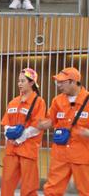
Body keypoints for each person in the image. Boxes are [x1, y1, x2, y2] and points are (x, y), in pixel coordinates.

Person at [38, 67, 89, 195]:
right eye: (57, 82)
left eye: (62, 82)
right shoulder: (57, 101)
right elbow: (51, 120)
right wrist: (43, 124)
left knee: (86, 190)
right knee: (51, 190)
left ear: (72, 82)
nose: (58, 85)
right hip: (60, 154)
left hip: (82, 155)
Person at [0, 68, 45, 196]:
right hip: (11, 150)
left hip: (28, 150)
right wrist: (9, 136)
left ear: (31, 83)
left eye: (23, 81)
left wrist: (19, 139)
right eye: (19, 81)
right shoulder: (13, 101)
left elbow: (37, 126)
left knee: (29, 186)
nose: (19, 83)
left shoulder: (39, 102)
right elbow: (5, 122)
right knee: (6, 183)